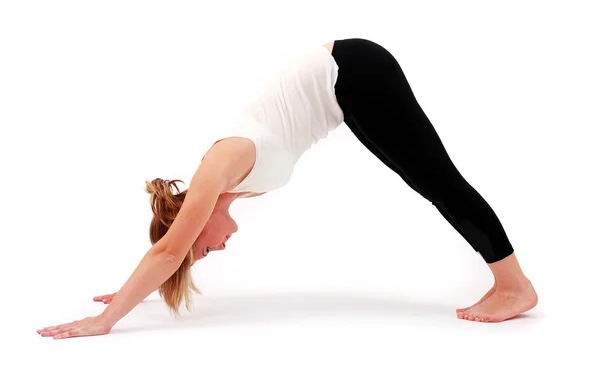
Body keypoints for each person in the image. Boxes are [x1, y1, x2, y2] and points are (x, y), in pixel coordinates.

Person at [37, 38, 537, 339]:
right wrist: (129, 292)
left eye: (204, 249)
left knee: (439, 181)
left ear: (195, 223)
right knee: (430, 181)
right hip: (348, 88)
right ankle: (509, 282)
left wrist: (104, 322)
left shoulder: (218, 168)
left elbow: (169, 251)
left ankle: (514, 287)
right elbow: (171, 251)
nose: (218, 248)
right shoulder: (228, 186)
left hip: (352, 72)